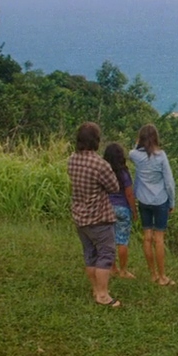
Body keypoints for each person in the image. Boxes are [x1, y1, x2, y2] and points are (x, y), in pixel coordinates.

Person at [68, 122, 122, 307]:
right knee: (106, 254)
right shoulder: (100, 164)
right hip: (99, 217)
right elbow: (114, 187)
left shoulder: (72, 159)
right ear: (96, 141)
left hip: (80, 216)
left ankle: (96, 289)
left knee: (90, 254)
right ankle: (103, 295)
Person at [130, 124, 177, 286]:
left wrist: (138, 143)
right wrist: (172, 201)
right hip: (160, 200)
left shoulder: (135, 155)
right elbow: (169, 183)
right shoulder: (161, 156)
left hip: (143, 200)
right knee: (159, 239)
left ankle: (153, 274)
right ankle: (163, 276)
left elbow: (133, 149)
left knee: (147, 237)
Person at [103, 143, 138, 279]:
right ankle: (123, 270)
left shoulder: (105, 172)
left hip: (107, 209)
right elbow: (129, 193)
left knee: (110, 240)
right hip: (122, 208)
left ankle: (112, 268)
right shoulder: (124, 172)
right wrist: (134, 211)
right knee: (122, 241)